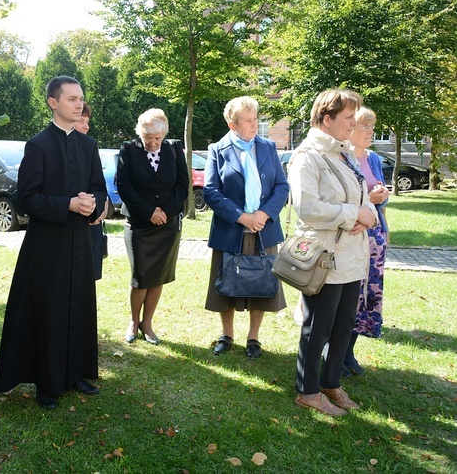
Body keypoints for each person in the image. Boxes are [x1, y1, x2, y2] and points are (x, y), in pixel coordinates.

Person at [0, 76, 107, 410]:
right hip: (47, 246)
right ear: (53, 103)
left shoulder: (89, 145)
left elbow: (99, 188)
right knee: (49, 311)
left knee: (79, 305)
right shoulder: (38, 145)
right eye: (71, 99)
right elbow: (27, 199)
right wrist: (67, 204)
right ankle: (46, 381)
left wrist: (94, 204)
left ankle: (74, 374)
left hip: (81, 243)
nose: (78, 104)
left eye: (81, 99)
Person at [287, 89, 377, 417]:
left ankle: (331, 383)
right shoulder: (308, 156)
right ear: (327, 119)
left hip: (352, 254)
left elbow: (361, 193)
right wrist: (354, 215)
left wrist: (367, 211)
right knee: (319, 325)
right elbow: (307, 207)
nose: (354, 124)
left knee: (343, 324)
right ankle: (307, 391)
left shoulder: (344, 154)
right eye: (348, 119)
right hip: (324, 255)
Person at [203, 96, 289, 359]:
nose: (255, 124)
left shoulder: (268, 147)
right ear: (233, 124)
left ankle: (254, 338)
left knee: (261, 282)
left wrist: (263, 214)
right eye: (249, 120)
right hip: (231, 229)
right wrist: (241, 217)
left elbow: (282, 187)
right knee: (226, 283)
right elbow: (210, 191)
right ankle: (227, 335)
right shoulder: (217, 149)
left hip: (264, 228)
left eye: (256, 118)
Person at [117, 109, 189, 345]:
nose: (152, 143)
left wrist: (166, 212)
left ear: (164, 135)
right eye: (148, 137)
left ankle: (147, 324)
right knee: (140, 275)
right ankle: (133, 321)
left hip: (167, 225)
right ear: (140, 133)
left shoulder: (174, 148)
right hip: (139, 225)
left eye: (157, 138)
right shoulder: (128, 150)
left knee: (158, 275)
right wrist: (149, 212)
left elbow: (182, 185)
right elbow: (125, 187)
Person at [344, 106, 389, 376]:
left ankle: (349, 352)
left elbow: (381, 194)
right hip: (351, 233)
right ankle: (336, 353)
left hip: (375, 235)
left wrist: (383, 196)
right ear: (350, 130)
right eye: (365, 126)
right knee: (348, 295)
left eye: (372, 126)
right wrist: (368, 201)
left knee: (368, 297)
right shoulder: (342, 158)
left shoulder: (372, 158)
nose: (371, 131)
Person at [76, 102, 107, 280]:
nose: (86, 126)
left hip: (92, 226)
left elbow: (99, 185)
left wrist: (99, 206)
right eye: (81, 120)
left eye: (88, 121)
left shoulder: (90, 147)